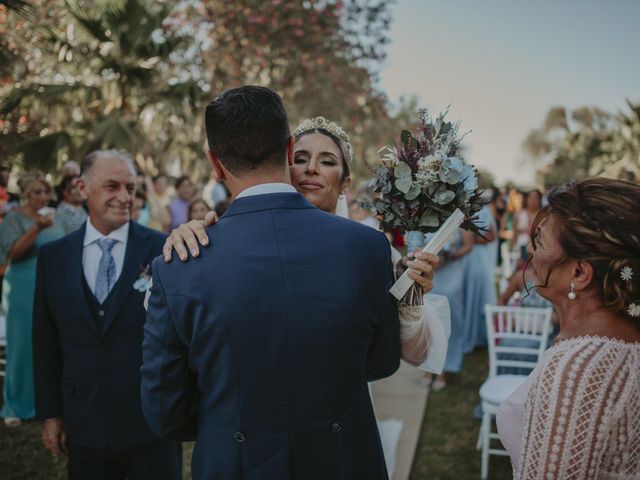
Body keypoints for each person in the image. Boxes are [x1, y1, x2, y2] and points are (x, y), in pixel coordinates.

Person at [142, 86, 428, 479]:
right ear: (289, 146)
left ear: (214, 162)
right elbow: (380, 361)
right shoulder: (367, 248)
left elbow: (164, 410)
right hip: (343, 462)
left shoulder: (180, 262)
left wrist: (228, 427)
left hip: (236, 463)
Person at [32, 150, 181, 480]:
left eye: (130, 187)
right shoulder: (54, 257)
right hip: (84, 419)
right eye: (112, 186)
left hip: (151, 422)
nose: (125, 197)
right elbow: (45, 341)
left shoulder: (163, 249)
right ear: (83, 188)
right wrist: (52, 415)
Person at [496, 178, 640, 479]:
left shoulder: (576, 370)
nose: (531, 253)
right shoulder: (623, 341)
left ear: (579, 272)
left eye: (541, 242)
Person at [0, 172, 65, 427]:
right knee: (22, 344)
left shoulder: (55, 217)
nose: (42, 197)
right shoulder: (14, 218)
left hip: (53, 286)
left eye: (45, 191)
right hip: (22, 287)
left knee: (50, 343)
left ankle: (46, 402)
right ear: (26, 193)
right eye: (36, 192)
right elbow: (12, 253)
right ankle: (15, 404)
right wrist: (36, 228)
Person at [427, 229, 474, 390]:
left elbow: (468, 246)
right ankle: (428, 367)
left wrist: (449, 256)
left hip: (452, 273)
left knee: (449, 321)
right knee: (429, 321)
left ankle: (443, 368)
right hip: (431, 275)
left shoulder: (460, 220)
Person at [509, 188, 541, 261]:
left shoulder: (543, 215)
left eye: (536, 198)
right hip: (521, 248)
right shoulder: (519, 214)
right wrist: (510, 250)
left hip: (538, 250)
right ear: (527, 199)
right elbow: (515, 234)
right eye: (531, 197)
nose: (533, 200)